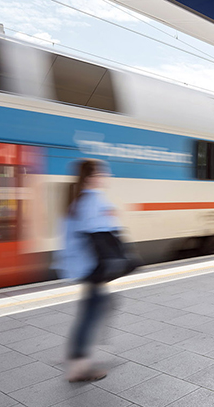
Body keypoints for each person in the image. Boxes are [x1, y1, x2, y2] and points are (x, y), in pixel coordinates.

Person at [55, 159, 119, 382]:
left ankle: (75, 354)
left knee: (94, 307)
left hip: (82, 264)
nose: (105, 176)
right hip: (92, 265)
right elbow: (100, 232)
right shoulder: (92, 199)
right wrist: (112, 219)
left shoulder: (78, 198)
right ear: (91, 177)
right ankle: (78, 365)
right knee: (92, 311)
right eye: (102, 172)